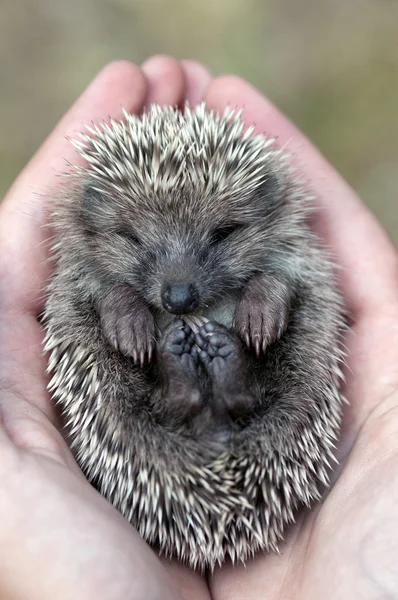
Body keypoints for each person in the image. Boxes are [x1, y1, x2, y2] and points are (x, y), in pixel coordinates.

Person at [0, 55, 397, 600]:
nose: (179, 288)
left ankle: (207, 387)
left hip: (270, 427)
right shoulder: (88, 263)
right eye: (137, 242)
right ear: (93, 221)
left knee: (287, 297)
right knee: (105, 328)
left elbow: (299, 282)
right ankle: (180, 393)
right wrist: (118, 302)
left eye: (218, 237)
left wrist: (269, 290)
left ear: (264, 208)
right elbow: (81, 307)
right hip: (158, 447)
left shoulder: (282, 244)